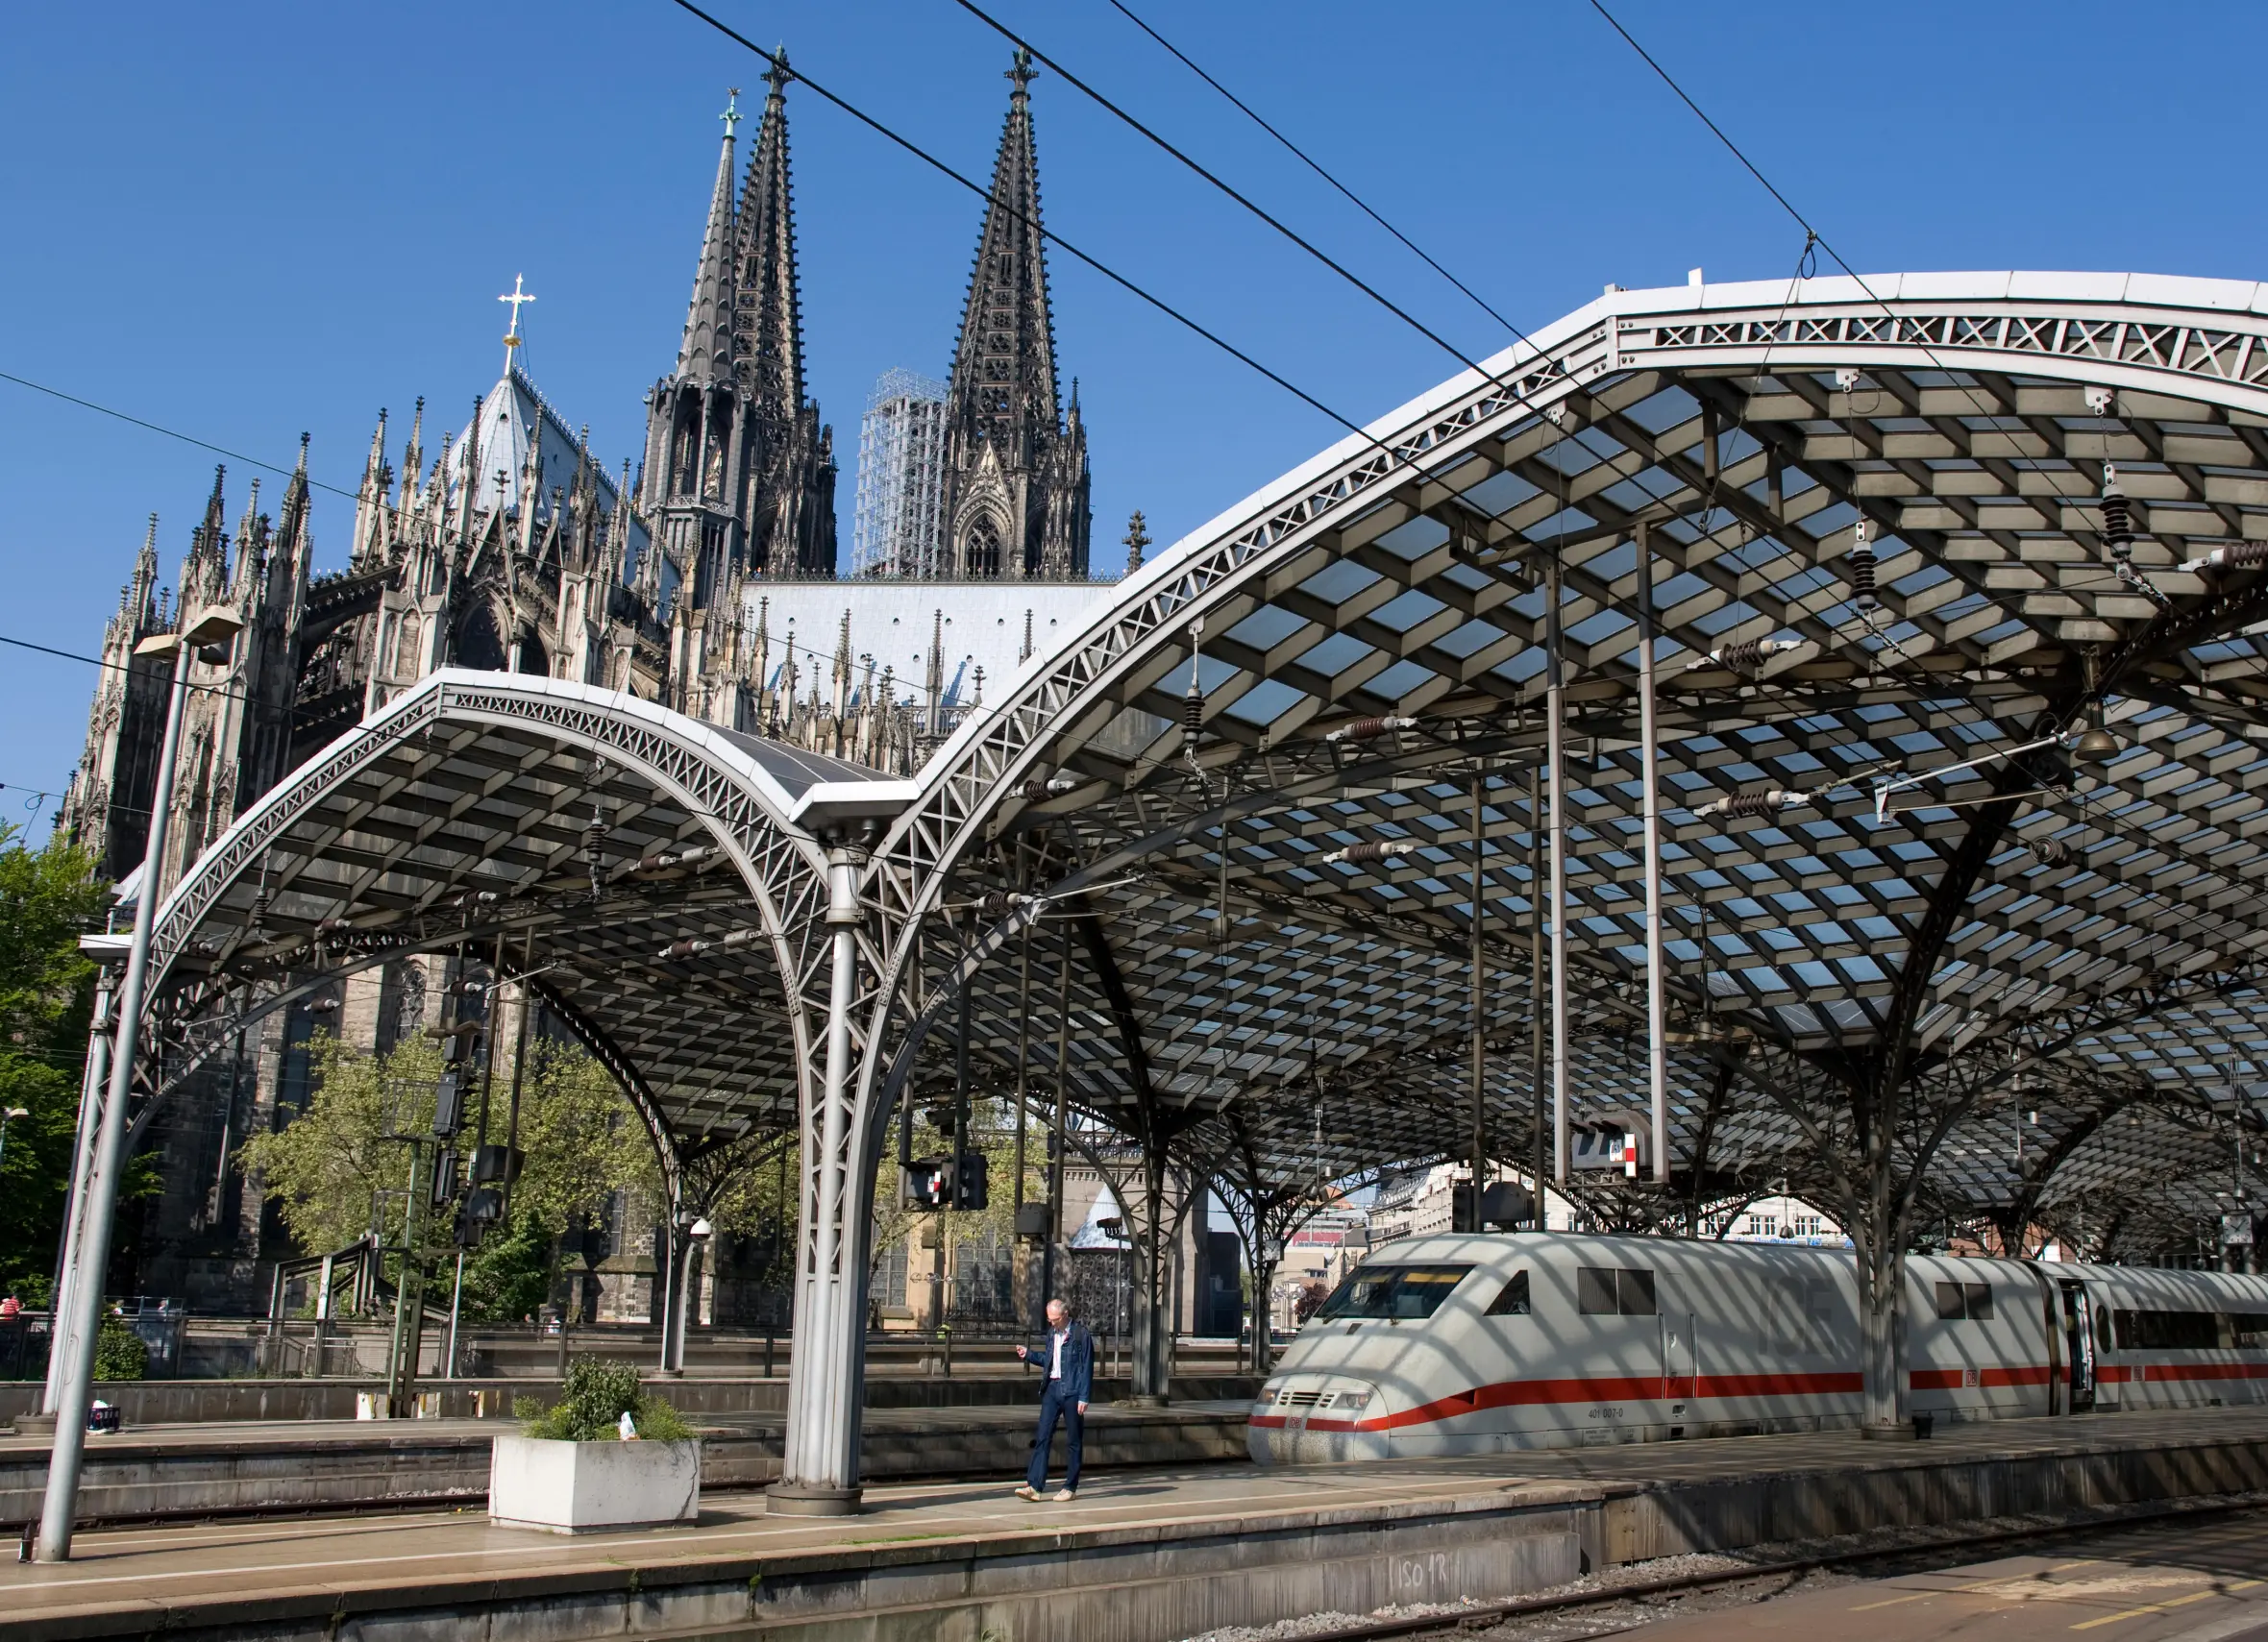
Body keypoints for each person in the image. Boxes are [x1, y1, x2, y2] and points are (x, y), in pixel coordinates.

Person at [1013, 1297, 1092, 1502]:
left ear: (1065, 1315)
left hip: (1073, 1391)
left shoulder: (1080, 1334)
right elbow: (1049, 1361)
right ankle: (1035, 1486)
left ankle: (1070, 1486)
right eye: (1049, 1319)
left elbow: (1086, 1368)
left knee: (1073, 1440)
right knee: (1043, 1436)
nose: (1051, 1323)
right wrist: (1029, 1354)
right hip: (1052, 1389)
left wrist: (1084, 1396)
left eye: (1054, 1319)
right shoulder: (1052, 1333)